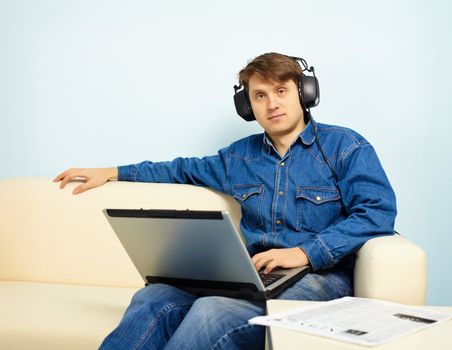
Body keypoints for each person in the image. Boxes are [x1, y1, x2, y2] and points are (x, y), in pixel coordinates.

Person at [54, 52, 397, 350]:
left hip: (321, 277)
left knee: (212, 311)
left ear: (304, 93)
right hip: (253, 276)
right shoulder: (238, 158)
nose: (272, 103)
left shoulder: (346, 147)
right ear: (248, 107)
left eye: (281, 91)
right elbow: (181, 170)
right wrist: (112, 172)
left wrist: (305, 252)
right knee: (152, 298)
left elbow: (377, 212)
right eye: (260, 96)